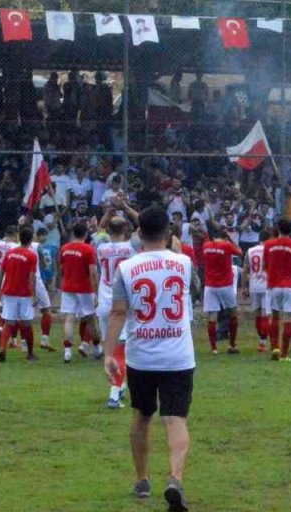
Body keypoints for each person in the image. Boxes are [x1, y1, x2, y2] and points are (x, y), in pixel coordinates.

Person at [102, 207, 194, 511]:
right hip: (177, 355)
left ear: (138, 233)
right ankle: (175, 476)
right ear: (168, 232)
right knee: (175, 418)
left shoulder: (127, 268)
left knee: (142, 415)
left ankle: (142, 479)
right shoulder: (183, 262)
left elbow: (118, 312)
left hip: (142, 354)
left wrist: (109, 353)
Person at [96, 216, 135, 408]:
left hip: (104, 301)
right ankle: (114, 395)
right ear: (126, 229)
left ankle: (121, 385)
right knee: (120, 349)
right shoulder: (131, 248)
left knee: (111, 347)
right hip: (122, 302)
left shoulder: (101, 248)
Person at [261, 219, 291, 362]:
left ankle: (275, 348)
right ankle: (284, 354)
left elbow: (264, 264)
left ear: (278, 228)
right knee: (289, 319)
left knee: (274, 316)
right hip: (290, 285)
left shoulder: (268, 244)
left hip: (273, 284)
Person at [0, 226, 39, 363]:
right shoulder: (31, 255)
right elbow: (32, 277)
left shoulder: (10, 253)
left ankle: (2, 348)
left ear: (19, 238)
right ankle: (30, 354)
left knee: (8, 322)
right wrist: (34, 295)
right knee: (26, 323)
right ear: (31, 240)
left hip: (8, 291)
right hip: (24, 293)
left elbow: (2, 272)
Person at [58, 222, 99, 363]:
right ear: (86, 234)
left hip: (68, 287)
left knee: (69, 318)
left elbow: (60, 268)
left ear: (73, 233)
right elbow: (93, 272)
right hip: (85, 288)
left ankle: (67, 352)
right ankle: (97, 348)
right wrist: (96, 291)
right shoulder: (88, 249)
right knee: (91, 318)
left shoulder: (64, 248)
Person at [200, 226, 242, 355]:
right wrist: (231, 241)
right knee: (233, 313)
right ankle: (232, 344)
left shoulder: (206, 246)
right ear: (225, 237)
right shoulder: (226, 246)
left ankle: (213, 348)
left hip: (210, 285)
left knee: (212, 316)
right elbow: (240, 252)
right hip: (226, 284)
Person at [246, 228, 270, 352]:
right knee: (265, 313)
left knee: (257, 313)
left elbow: (245, 269)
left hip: (254, 285)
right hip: (266, 284)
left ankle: (261, 338)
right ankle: (263, 342)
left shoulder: (250, 251)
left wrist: (244, 286)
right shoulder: (269, 249)